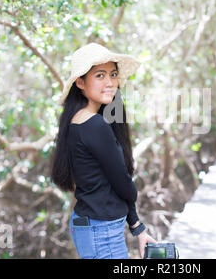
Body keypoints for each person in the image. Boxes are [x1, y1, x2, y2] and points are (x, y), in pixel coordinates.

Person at [51, 42, 156, 259]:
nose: (110, 82)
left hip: (90, 224)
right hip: (102, 233)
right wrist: (132, 194)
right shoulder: (94, 125)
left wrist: (137, 226)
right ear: (80, 82)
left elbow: (110, 183)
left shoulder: (76, 120)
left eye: (113, 74)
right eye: (100, 75)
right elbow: (124, 185)